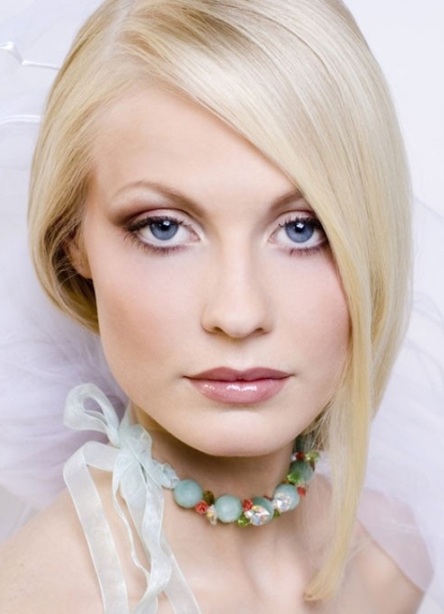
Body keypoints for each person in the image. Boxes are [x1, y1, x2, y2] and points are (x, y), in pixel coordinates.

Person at [0, 0, 442, 611]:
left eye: (302, 229)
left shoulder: (392, 559)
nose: (238, 314)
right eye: (162, 228)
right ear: (73, 242)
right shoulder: (35, 594)